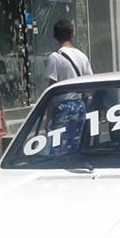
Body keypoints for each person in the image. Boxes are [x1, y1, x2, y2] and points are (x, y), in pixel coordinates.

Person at [44, 20, 92, 154]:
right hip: (80, 105)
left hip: (63, 106)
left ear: (55, 36)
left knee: (58, 148)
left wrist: (48, 118)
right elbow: (89, 84)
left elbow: (52, 91)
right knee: (75, 147)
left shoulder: (54, 58)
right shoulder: (82, 56)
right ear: (73, 34)